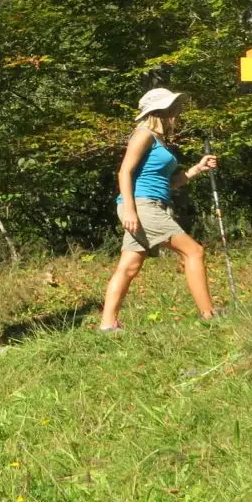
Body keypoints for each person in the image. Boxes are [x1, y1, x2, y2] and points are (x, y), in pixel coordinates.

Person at [98, 87, 220, 331]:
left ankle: (107, 324)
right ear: (160, 111)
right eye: (173, 109)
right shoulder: (144, 133)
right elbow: (124, 171)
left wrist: (196, 169)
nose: (177, 113)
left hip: (149, 205)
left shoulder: (159, 140)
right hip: (142, 207)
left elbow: (169, 183)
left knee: (129, 266)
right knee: (193, 252)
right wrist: (131, 211)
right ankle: (209, 315)